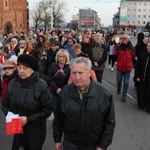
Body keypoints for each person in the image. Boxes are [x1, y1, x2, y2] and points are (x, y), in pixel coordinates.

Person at [53, 57, 115, 150]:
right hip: (71, 143)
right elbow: (58, 119)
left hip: (94, 144)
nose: (77, 77)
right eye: (74, 73)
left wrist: (102, 146)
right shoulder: (65, 93)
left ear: (89, 72)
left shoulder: (104, 94)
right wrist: (57, 140)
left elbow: (109, 123)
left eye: (81, 73)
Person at [2, 54, 52, 150]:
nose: (21, 71)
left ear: (32, 70)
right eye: (19, 68)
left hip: (35, 130)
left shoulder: (41, 86)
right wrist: (10, 115)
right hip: (17, 128)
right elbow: (5, 104)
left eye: (24, 68)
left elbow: (47, 110)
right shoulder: (13, 83)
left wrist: (28, 119)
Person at [48, 49, 70, 115]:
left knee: (63, 109)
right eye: (60, 56)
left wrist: (62, 88)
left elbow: (69, 80)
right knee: (55, 108)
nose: (61, 58)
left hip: (65, 91)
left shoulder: (69, 67)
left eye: (63, 57)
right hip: (54, 90)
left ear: (66, 58)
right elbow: (49, 78)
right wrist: (56, 89)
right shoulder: (53, 65)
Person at [115, 34, 135, 102]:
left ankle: (124, 95)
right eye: (122, 38)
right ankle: (119, 87)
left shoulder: (132, 48)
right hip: (120, 67)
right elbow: (116, 55)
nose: (123, 39)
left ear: (128, 40)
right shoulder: (119, 47)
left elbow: (133, 57)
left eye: (125, 38)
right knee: (118, 80)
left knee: (126, 82)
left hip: (127, 68)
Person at [135, 41, 150, 113]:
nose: (149, 48)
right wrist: (137, 76)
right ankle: (141, 104)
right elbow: (137, 66)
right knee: (141, 91)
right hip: (142, 77)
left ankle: (148, 106)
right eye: (148, 46)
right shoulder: (142, 55)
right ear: (146, 47)